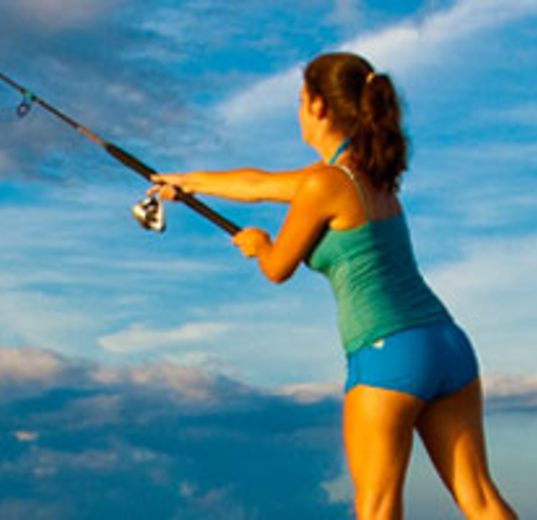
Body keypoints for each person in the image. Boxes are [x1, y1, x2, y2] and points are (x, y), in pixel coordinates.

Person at [149, 52, 517, 520]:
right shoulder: (367, 174)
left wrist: (260, 244)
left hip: (387, 350)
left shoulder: (324, 184)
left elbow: (278, 266)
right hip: (446, 342)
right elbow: (257, 184)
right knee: (481, 499)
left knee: (377, 508)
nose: (298, 111)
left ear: (318, 107)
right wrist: (187, 182)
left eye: (301, 100)